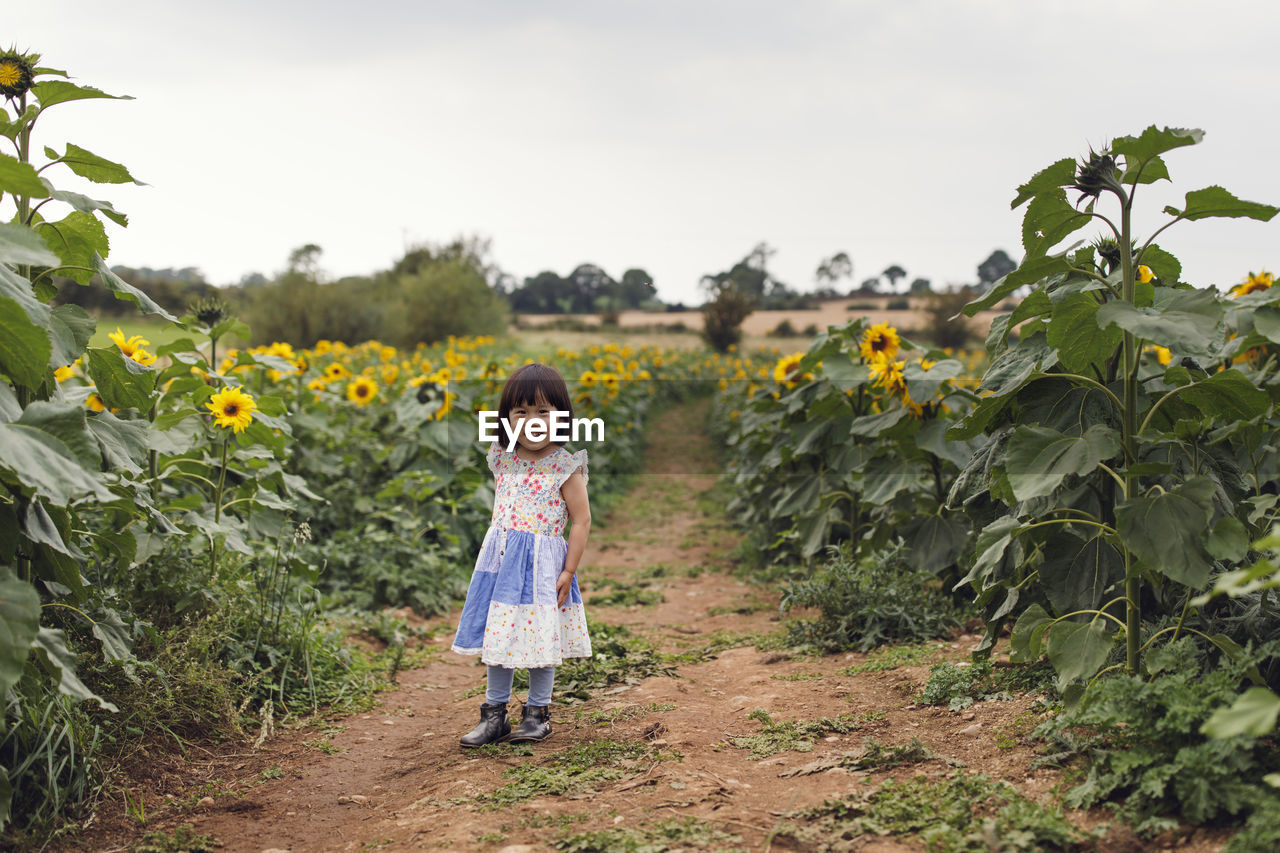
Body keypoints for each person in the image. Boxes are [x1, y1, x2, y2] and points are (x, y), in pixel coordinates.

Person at [451, 362, 593, 747]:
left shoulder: (566, 466)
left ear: (562, 417)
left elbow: (581, 521)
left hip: (544, 568)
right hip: (500, 565)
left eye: (543, 412)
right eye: (521, 412)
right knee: (499, 638)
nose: (532, 422)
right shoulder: (503, 457)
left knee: (538, 639)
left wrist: (569, 570)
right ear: (506, 419)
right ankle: (494, 715)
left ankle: (537, 712)